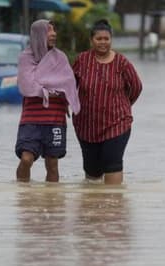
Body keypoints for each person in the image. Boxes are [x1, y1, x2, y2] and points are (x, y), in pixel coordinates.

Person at [72, 19, 143, 185]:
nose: (103, 42)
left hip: (117, 124)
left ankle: (114, 207)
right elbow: (70, 87)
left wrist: (124, 106)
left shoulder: (122, 63)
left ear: (111, 40)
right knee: (92, 174)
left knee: (113, 163)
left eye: (106, 39)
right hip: (86, 125)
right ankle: (93, 208)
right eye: (99, 39)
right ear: (91, 41)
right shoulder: (81, 61)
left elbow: (136, 87)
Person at [15, 19, 80, 182]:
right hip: (31, 119)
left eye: (54, 30)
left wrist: (46, 87)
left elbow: (68, 85)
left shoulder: (61, 58)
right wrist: (53, 90)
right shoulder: (25, 58)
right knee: (26, 159)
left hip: (55, 118)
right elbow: (27, 86)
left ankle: (52, 203)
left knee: (52, 164)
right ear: (38, 35)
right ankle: (23, 196)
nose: (54, 34)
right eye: (49, 30)